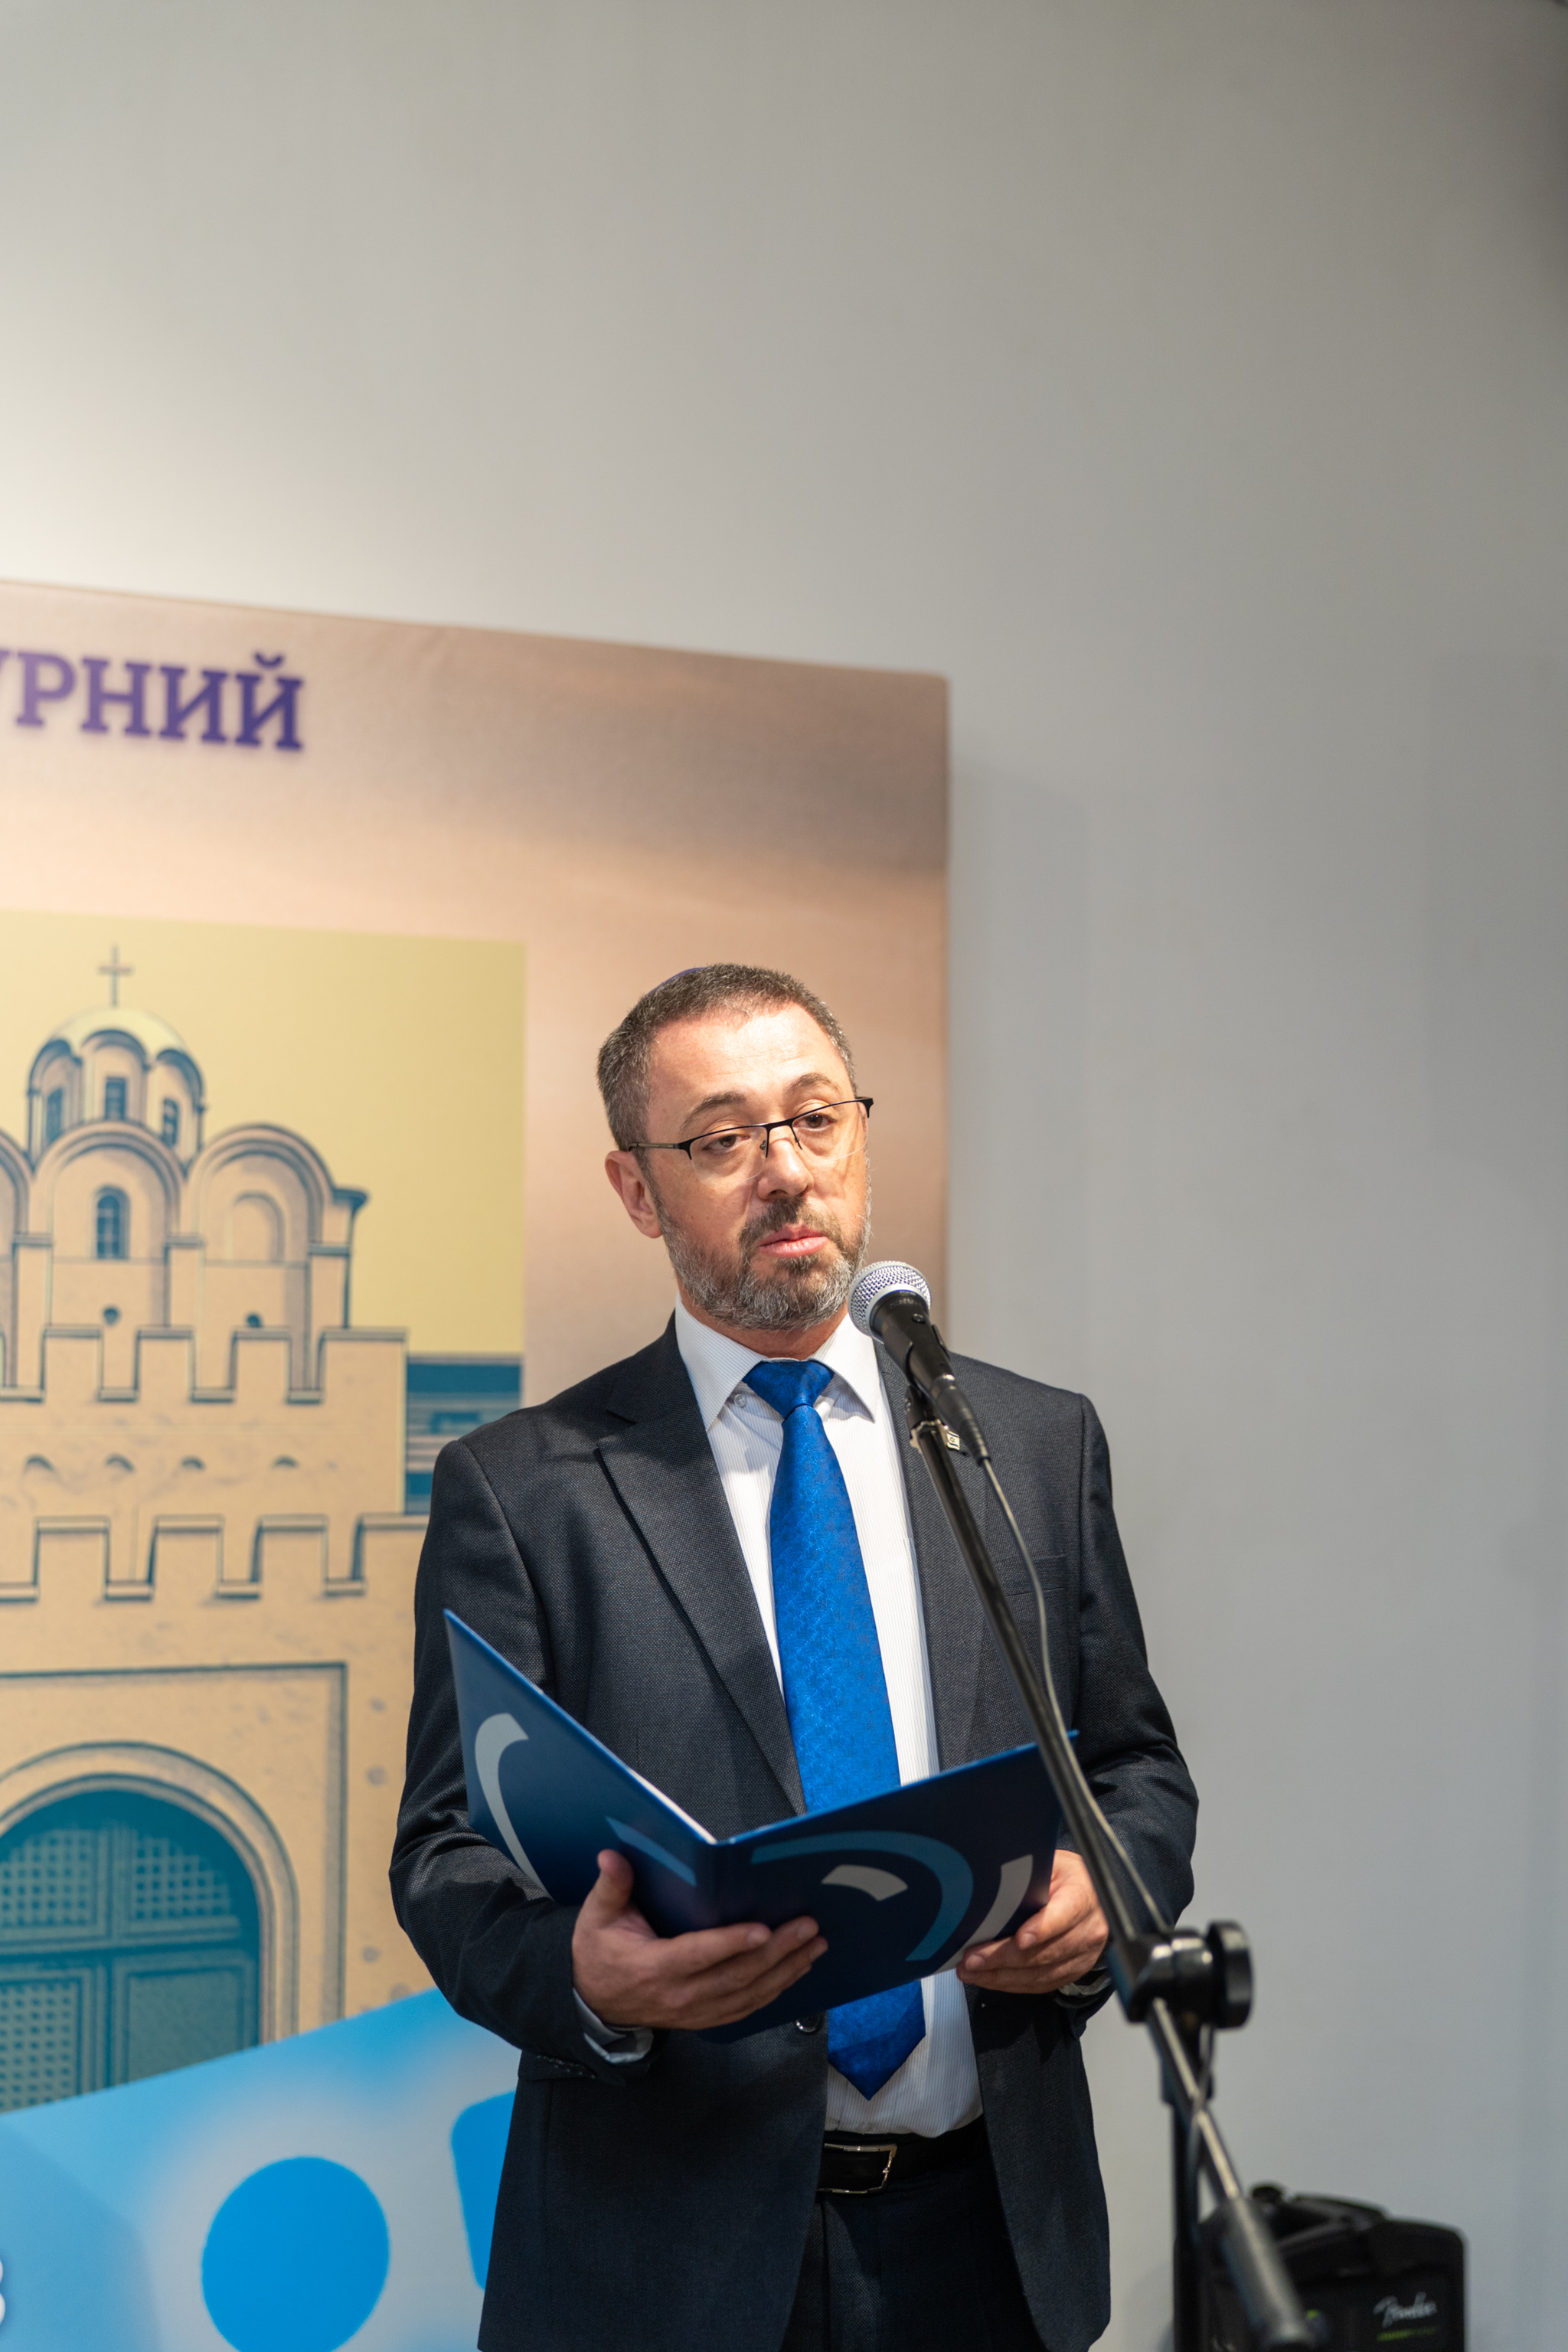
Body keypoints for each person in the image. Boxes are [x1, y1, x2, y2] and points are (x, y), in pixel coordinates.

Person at [392, 964, 1197, 2352]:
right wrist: (586, 1979)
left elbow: (1133, 1766)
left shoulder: (1028, 1445)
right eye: (722, 1138)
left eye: (817, 1120)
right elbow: (445, 1855)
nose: (786, 1171)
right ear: (638, 1190)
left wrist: (1101, 1895)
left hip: (992, 2238)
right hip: (667, 2249)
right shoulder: (525, 1490)